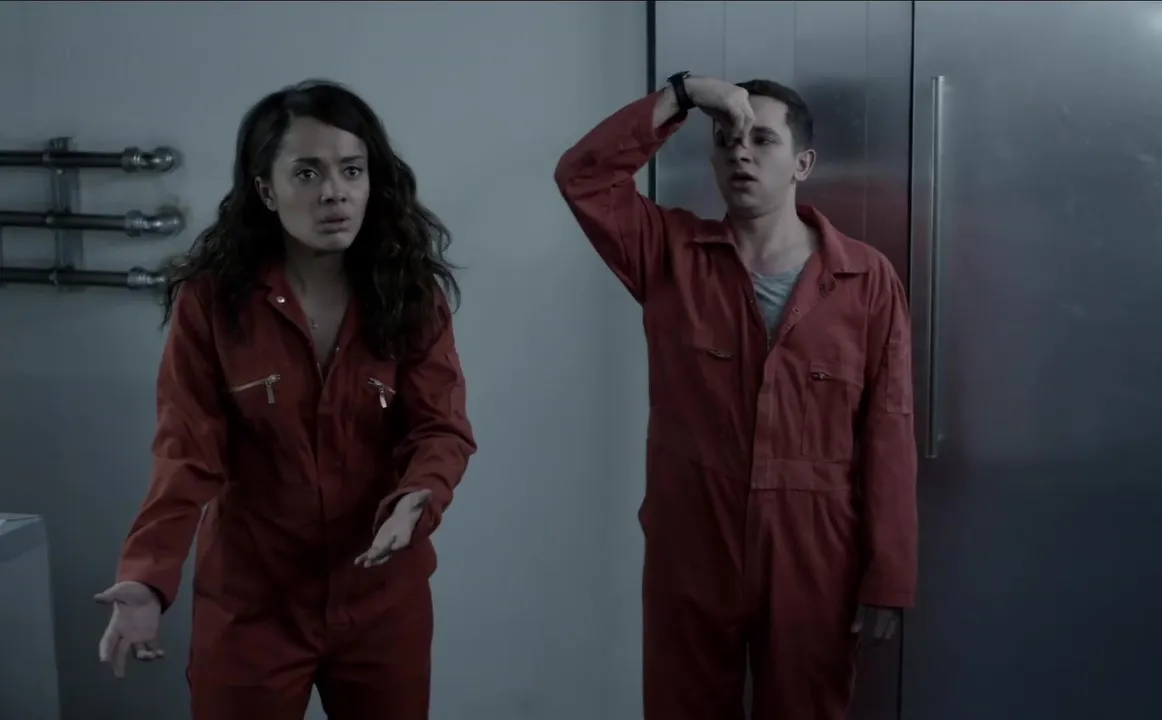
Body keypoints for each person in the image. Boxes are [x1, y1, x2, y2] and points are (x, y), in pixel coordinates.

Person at [93, 79, 476, 720]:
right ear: (266, 191)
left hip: (380, 597)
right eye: (307, 173)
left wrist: (418, 498)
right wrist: (146, 577)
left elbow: (442, 428)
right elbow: (185, 451)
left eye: (352, 170)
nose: (334, 192)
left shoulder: (410, 294)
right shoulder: (214, 302)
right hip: (252, 604)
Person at [554, 74, 918, 719]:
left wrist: (888, 574)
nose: (740, 152)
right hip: (694, 545)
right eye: (725, 141)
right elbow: (583, 177)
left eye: (761, 140)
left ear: (802, 163)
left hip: (814, 553)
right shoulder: (670, 256)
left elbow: (889, 431)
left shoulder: (865, 280)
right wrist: (684, 94)